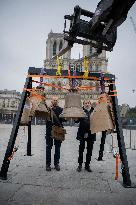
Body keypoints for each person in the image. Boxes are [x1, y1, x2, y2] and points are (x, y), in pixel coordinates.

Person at [76, 100, 96, 172]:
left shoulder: (94, 111)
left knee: (89, 150)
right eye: (85, 103)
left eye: (88, 103)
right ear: (83, 104)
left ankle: (87, 165)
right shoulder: (81, 110)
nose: (87, 104)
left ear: (90, 104)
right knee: (81, 150)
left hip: (91, 133)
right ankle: (80, 165)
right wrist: (75, 116)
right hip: (82, 133)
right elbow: (76, 121)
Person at [45, 97, 63, 171]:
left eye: (56, 100)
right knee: (48, 147)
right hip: (49, 130)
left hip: (58, 131)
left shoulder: (61, 109)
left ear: (57, 101)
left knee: (57, 148)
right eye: (54, 100)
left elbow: (64, 119)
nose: (55, 101)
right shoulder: (47, 109)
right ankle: (48, 164)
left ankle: (56, 164)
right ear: (51, 101)